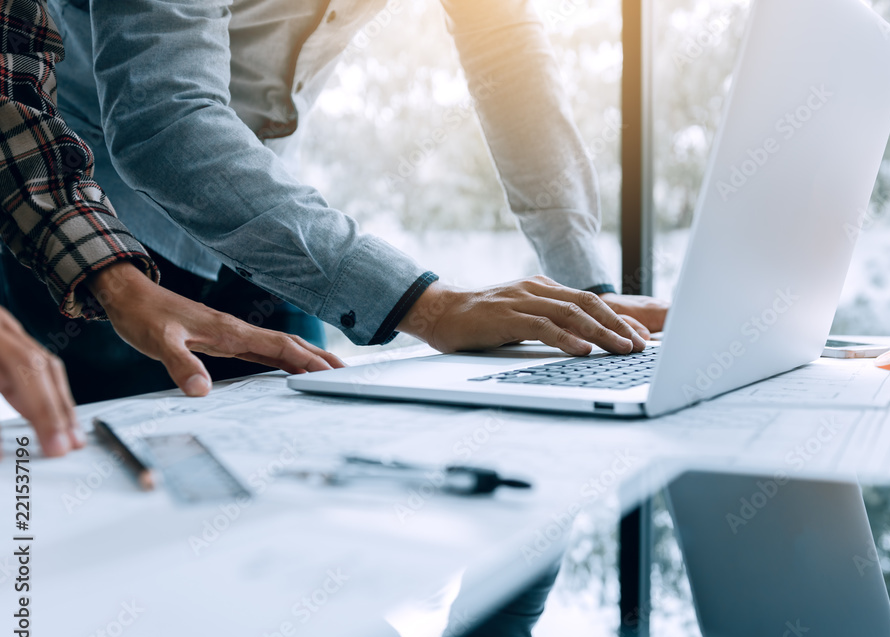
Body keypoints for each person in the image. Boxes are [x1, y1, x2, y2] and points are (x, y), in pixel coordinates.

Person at [1, 0, 671, 407]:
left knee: (320, 458)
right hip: (93, 227)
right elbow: (163, 117)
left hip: (271, 223)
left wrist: (587, 296)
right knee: (150, 524)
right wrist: (428, 307)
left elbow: (508, 56)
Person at [0, 0, 343, 455]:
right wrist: (418, 301)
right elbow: (163, 110)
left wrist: (118, 283)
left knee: (307, 438)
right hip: (109, 211)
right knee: (125, 474)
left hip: (268, 222)